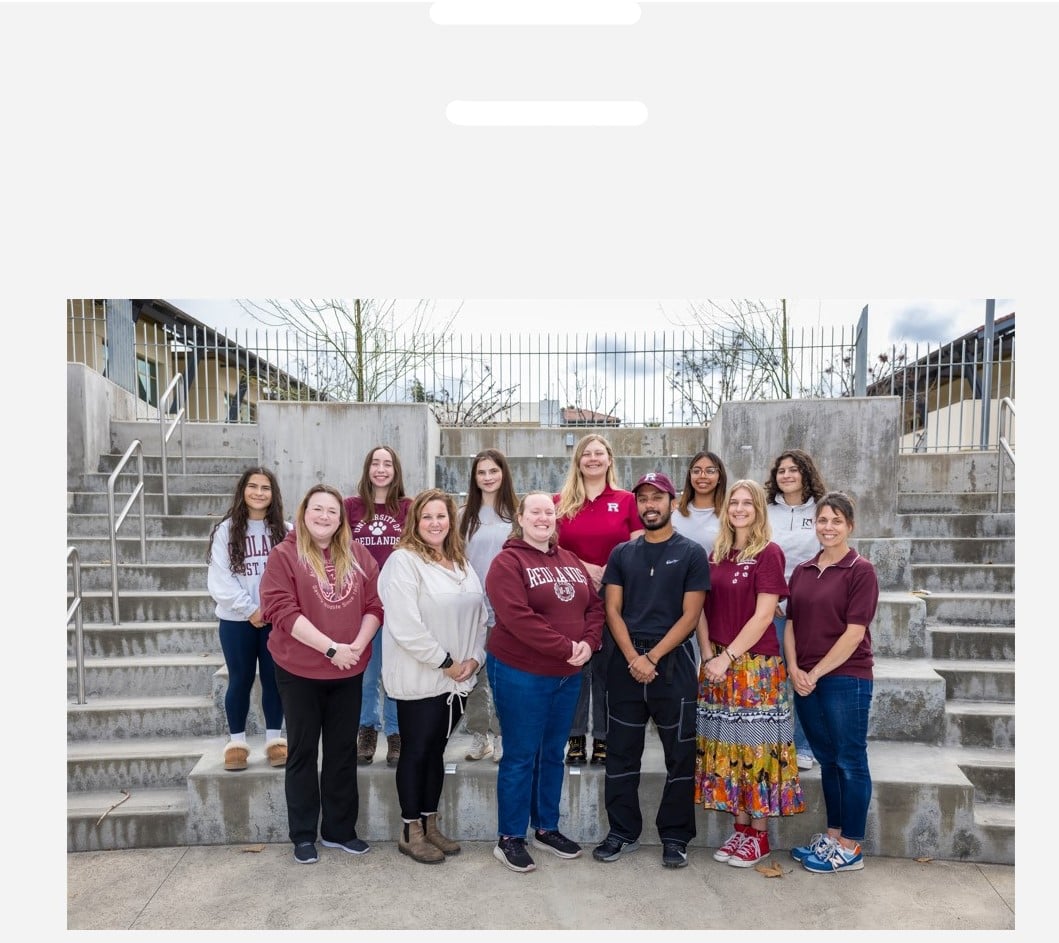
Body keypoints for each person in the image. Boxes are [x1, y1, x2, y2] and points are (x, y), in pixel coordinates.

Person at [259, 484, 384, 865]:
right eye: (317, 509)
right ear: (304, 512)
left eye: (332, 510)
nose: (325, 516)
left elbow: (375, 605)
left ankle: (339, 830)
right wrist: (331, 648)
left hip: (348, 669)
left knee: (342, 752)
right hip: (300, 671)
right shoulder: (284, 555)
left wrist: (357, 647)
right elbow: (280, 609)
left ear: (341, 518)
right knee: (302, 751)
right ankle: (302, 835)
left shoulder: (358, 554)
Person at [592, 472, 710, 869]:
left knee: (680, 755)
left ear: (672, 503)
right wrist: (633, 657)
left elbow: (691, 615)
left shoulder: (691, 552)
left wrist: (653, 657)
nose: (650, 505)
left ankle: (675, 837)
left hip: (671, 661)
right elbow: (612, 609)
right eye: (642, 498)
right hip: (625, 661)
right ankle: (622, 831)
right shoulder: (623, 554)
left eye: (657, 497)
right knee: (621, 755)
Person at [484, 491, 605, 873]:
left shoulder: (569, 559)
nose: (542, 517)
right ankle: (510, 837)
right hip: (522, 673)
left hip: (566, 675)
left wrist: (588, 643)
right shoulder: (507, 561)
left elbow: (594, 606)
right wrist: (565, 646)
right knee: (521, 755)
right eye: (534, 511)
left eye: (548, 512)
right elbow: (517, 617)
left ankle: (546, 827)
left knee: (552, 753)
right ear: (520, 518)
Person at [696, 479, 805, 868]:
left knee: (756, 753)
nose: (740, 509)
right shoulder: (716, 555)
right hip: (718, 665)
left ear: (759, 510)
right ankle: (740, 831)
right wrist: (709, 655)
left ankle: (759, 835)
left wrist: (729, 658)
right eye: (734, 503)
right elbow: (701, 611)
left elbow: (764, 616)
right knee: (729, 751)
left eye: (748, 503)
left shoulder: (768, 554)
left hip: (756, 668)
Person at [378, 489, 488, 865]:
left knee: (435, 754)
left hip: (456, 681)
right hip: (421, 677)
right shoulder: (403, 562)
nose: (435, 523)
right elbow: (405, 625)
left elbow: (480, 616)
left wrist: (474, 658)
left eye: (441, 516)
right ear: (415, 522)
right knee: (417, 751)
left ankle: (431, 822)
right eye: (427, 517)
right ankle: (411, 832)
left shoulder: (460, 563)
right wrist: (446, 661)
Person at [785, 492, 879, 874]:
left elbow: (854, 634)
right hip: (805, 678)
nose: (828, 527)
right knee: (827, 760)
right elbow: (790, 624)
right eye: (822, 520)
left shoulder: (861, 571)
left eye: (836, 521)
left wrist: (816, 672)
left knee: (850, 760)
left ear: (850, 526)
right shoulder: (804, 570)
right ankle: (833, 836)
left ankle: (851, 846)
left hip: (845, 678)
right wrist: (794, 669)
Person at [553, 433, 643, 767]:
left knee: (607, 670)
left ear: (609, 459)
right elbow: (550, 547)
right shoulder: (560, 502)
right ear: (578, 461)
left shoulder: (626, 500)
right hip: (571, 594)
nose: (593, 458)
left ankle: (603, 739)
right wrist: (585, 566)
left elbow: (638, 546)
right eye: (586, 454)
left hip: (615, 594)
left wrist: (611, 569)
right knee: (576, 665)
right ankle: (575, 737)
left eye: (599, 453)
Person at [207, 467, 290, 771]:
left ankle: (274, 740)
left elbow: (293, 577)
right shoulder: (226, 531)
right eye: (253, 486)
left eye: (265, 487)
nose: (258, 492)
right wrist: (250, 610)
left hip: (275, 620)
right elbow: (220, 580)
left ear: (273, 494)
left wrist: (269, 609)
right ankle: (237, 743)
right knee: (239, 680)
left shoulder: (287, 531)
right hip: (236, 620)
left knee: (274, 680)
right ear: (243, 490)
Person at [346, 445, 412, 769]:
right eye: (376, 463)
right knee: (368, 673)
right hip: (363, 605)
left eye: (388, 463)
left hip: (398, 604)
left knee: (394, 672)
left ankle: (396, 733)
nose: (381, 469)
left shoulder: (408, 508)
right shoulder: (351, 507)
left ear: (396, 470)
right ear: (367, 469)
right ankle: (367, 730)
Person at [766, 448, 828, 770]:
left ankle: (804, 746)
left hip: (808, 605)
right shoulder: (765, 511)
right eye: (781, 470)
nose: (786, 475)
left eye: (793, 469)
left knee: (802, 676)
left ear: (805, 473)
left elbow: (825, 555)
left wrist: (799, 598)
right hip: (771, 606)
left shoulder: (820, 510)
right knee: (776, 677)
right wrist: (771, 598)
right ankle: (776, 741)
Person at [458, 449, 518, 764]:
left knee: (504, 676)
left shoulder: (517, 514)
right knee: (476, 676)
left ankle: (505, 736)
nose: (488, 477)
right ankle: (481, 737)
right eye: (482, 472)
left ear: (503, 473)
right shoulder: (463, 514)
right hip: (473, 607)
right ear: (475, 478)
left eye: (493, 471)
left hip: (508, 609)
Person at [671, 450, 728, 553]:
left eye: (710, 471)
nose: (702, 476)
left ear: (720, 476)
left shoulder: (730, 514)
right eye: (696, 471)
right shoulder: (676, 515)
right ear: (690, 476)